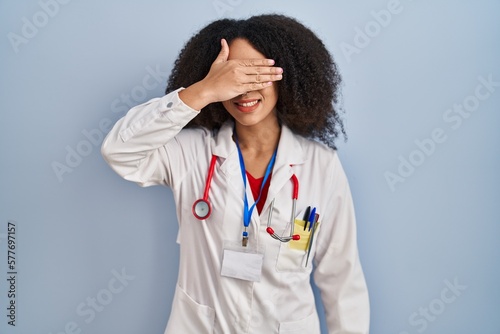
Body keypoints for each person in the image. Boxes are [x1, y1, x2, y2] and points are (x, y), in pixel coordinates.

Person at [101, 14, 369, 334]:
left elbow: (342, 279)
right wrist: (203, 91)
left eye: (257, 74)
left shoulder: (320, 165)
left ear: (286, 75)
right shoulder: (190, 153)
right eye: (233, 77)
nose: (244, 90)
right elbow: (118, 150)